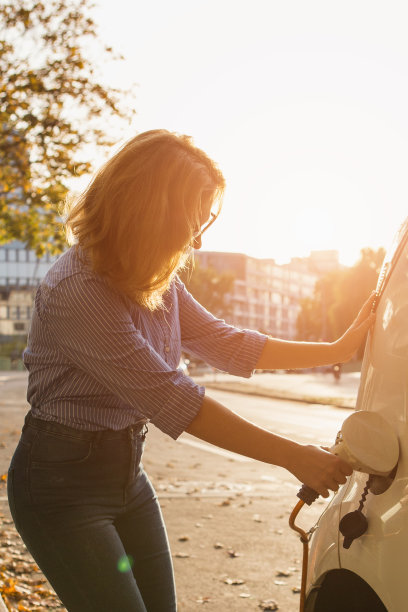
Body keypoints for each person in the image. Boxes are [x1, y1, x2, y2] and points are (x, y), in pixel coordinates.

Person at [7, 129, 375, 612]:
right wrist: (294, 456)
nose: (198, 239)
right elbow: (178, 401)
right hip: (61, 487)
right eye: (191, 222)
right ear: (148, 214)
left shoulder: (150, 276)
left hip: (126, 476)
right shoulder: (79, 290)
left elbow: (228, 343)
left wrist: (337, 347)